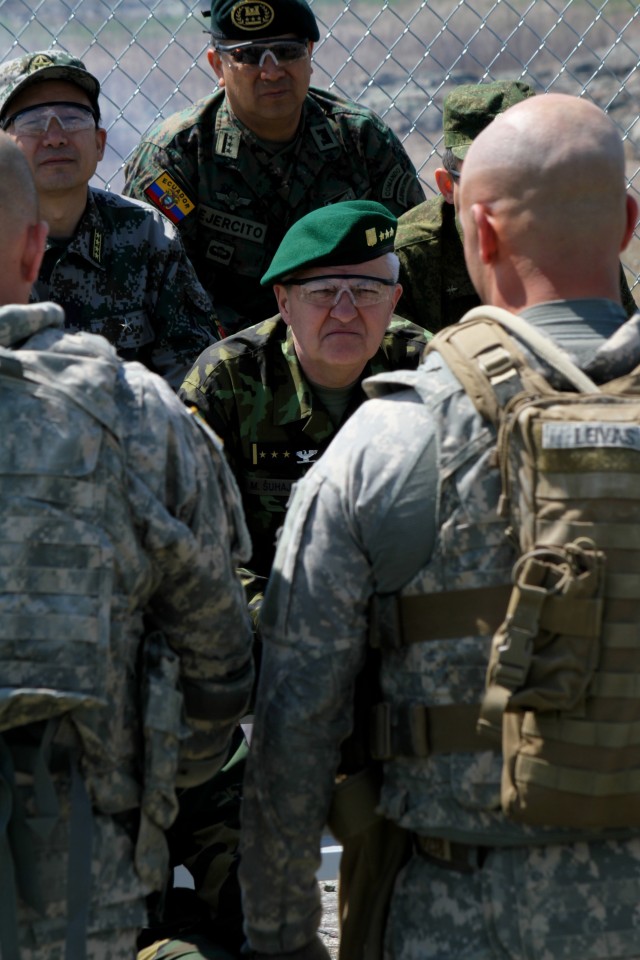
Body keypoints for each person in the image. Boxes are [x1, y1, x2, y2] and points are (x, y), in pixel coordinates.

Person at [238, 92, 640, 960]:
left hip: (463, 910)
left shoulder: (394, 435)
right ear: (628, 224)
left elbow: (294, 725)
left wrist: (278, 934)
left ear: (479, 233)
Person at [137, 200, 429, 960]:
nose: (344, 309)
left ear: (395, 300)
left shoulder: (430, 377)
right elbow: (193, 554)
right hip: (260, 651)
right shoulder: (228, 382)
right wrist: (302, 631)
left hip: (394, 649)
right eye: (322, 290)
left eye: (366, 291)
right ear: (281, 298)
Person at [0, 131, 254, 960]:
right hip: (76, 867)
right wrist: (157, 784)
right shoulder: (140, 417)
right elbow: (219, 655)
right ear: (38, 244)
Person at [122, 0, 426, 337]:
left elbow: (410, 259)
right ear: (217, 66)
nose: (272, 71)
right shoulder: (176, 155)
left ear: (309, 53)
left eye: (287, 51)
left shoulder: (360, 140)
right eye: (249, 56)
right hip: (221, 360)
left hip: (348, 335)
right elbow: (152, 291)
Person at [0, 50, 219, 389]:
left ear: (100, 144)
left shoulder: (148, 234)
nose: (56, 136)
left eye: (72, 119)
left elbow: (189, 375)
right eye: (33, 122)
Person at [394, 79, 638, 332]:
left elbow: (621, 333)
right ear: (447, 186)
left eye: (525, 175)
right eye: (488, 181)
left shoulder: (572, 229)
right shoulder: (408, 254)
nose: (509, 195)